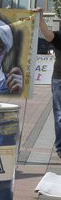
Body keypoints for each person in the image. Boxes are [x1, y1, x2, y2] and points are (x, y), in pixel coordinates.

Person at [36, 8, 61, 158]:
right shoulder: (59, 37)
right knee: (60, 116)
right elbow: (47, 34)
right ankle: (60, 148)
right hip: (59, 80)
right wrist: (40, 18)